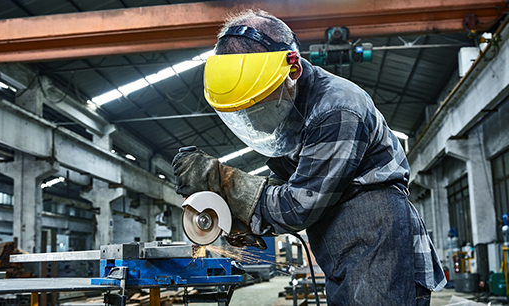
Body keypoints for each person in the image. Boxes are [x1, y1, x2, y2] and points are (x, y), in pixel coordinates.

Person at [172, 9, 446, 305]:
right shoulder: (294, 112)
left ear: (293, 70)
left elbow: (297, 206)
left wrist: (226, 183)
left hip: (377, 236)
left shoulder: (337, 110)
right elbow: (294, 183)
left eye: (261, 102)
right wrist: (242, 216)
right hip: (342, 241)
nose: (256, 118)